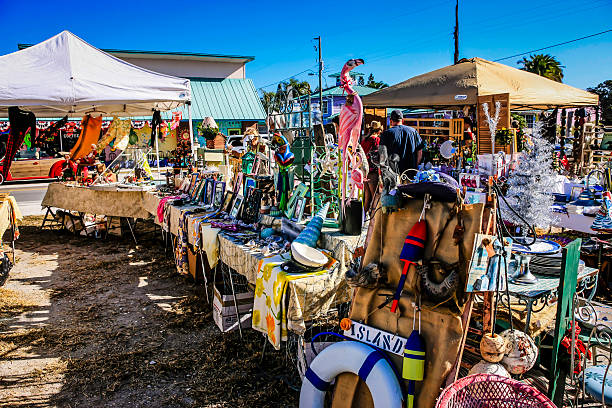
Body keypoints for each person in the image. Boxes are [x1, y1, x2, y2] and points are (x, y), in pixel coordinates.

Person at [379, 110, 424, 176]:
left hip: (393, 174)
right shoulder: (413, 132)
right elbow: (419, 152)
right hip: (410, 173)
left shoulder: (386, 134)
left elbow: (382, 155)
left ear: (391, 121)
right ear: (402, 120)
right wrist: (415, 166)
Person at [360, 121, 382, 215]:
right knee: (375, 196)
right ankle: (374, 218)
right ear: (379, 130)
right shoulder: (376, 140)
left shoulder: (364, 140)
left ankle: (363, 219)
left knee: (367, 196)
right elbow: (378, 157)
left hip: (364, 171)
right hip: (373, 171)